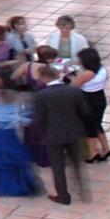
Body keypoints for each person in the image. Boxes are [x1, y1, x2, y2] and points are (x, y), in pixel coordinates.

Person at [30, 65, 88, 204]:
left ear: (44, 77)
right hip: (73, 132)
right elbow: (85, 112)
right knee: (76, 163)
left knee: (58, 167)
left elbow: (38, 119)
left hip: (53, 135)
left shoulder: (41, 95)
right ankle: (82, 190)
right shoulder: (74, 91)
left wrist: (34, 135)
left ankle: (63, 196)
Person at [73, 47, 110, 162]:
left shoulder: (86, 74)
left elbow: (73, 86)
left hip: (88, 100)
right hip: (100, 97)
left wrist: (73, 77)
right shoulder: (103, 69)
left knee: (89, 128)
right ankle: (106, 149)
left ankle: (93, 153)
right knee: (97, 124)